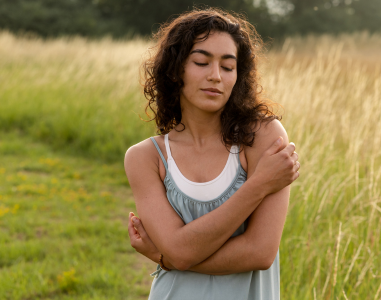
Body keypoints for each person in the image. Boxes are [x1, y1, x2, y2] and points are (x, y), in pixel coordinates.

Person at [123, 8, 300, 300]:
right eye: (202, 62)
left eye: (228, 67)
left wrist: (166, 256)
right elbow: (178, 253)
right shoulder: (146, 157)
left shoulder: (263, 136)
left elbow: (260, 252)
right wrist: (259, 185)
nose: (215, 76)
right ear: (176, 70)